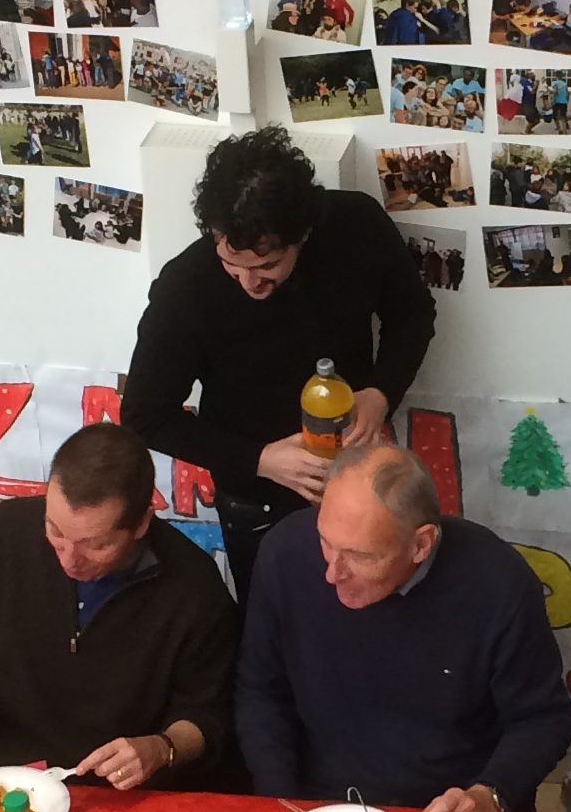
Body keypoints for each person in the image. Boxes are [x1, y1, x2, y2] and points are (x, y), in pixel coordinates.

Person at [121, 126, 437, 593]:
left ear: (302, 235)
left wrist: (380, 393)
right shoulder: (185, 287)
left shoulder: (356, 225)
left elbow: (412, 312)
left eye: (267, 266)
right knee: (278, 629)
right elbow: (145, 414)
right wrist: (260, 459)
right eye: (234, 264)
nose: (250, 283)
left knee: (375, 616)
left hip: (361, 481)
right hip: (256, 499)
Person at [236, 444, 571, 812]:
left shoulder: (497, 583)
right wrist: (281, 801)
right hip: (321, 807)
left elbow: (543, 719)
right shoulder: (284, 552)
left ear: (420, 544)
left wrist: (489, 794)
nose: (332, 573)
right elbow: (261, 691)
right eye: (326, 542)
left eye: (360, 556)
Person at [0, 424, 236, 785]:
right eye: (55, 532)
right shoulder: (5, 535)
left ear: (140, 524)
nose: (69, 560)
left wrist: (162, 748)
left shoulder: (194, 588)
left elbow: (207, 714)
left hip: (118, 789)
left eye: (96, 545)